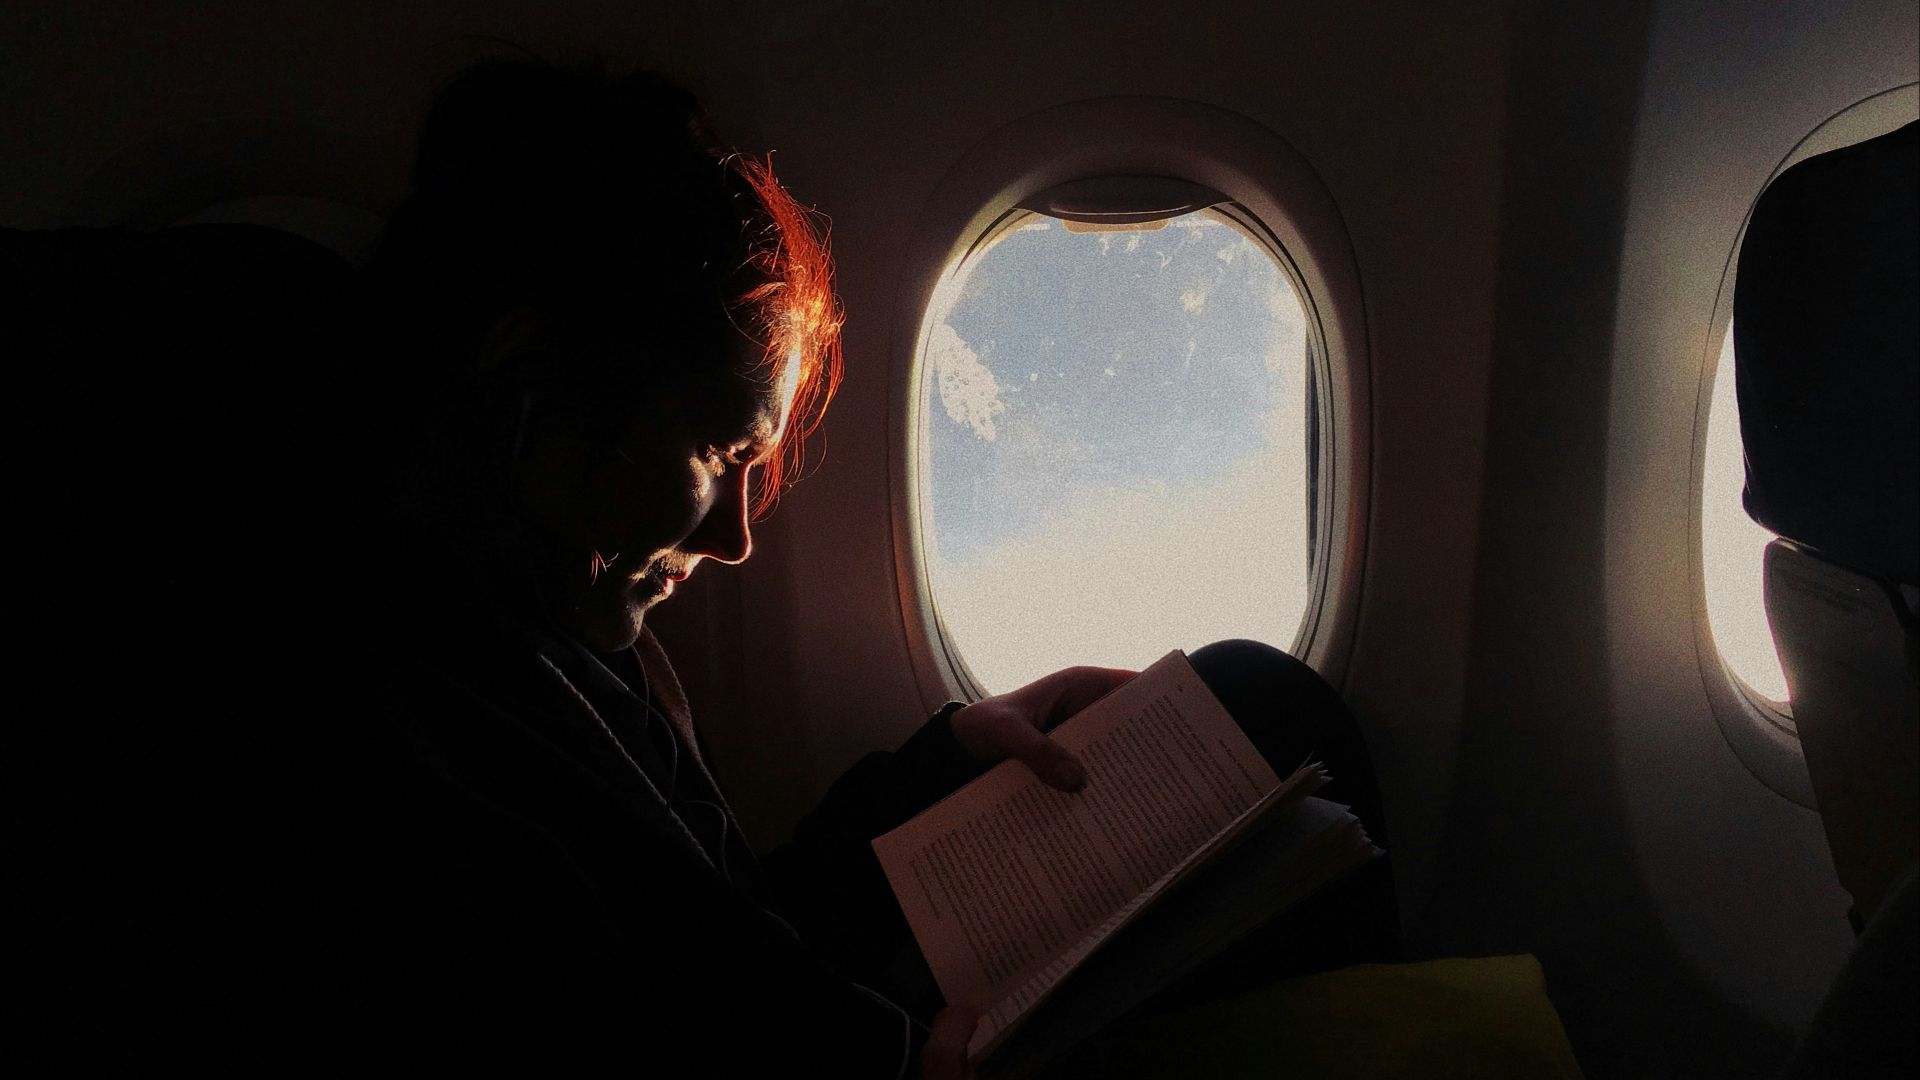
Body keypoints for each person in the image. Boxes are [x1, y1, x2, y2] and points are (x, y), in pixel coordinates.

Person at [10, 56, 1396, 1077]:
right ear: (533, 388)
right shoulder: (374, 670)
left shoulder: (530, 600)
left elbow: (702, 920)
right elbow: (662, 998)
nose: (736, 538)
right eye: (720, 455)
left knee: (1259, 708)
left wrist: (943, 760)